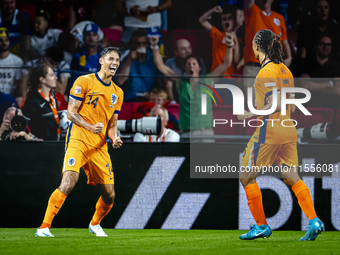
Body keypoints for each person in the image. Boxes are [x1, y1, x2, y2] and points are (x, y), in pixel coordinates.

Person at [236, 29, 324, 241]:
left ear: (258, 46)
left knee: (246, 177)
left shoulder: (265, 73)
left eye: (252, 44)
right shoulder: (285, 70)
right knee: (291, 177)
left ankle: (261, 226)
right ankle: (314, 221)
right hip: (288, 130)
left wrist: (250, 113)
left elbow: (274, 101)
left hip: (270, 131)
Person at [35, 46, 124, 237]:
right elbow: (71, 113)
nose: (114, 63)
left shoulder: (118, 93)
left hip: (99, 146)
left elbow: (112, 124)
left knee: (110, 195)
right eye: (111, 59)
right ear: (101, 61)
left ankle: (95, 224)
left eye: (117, 60)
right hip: (79, 139)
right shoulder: (84, 81)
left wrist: (115, 137)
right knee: (68, 182)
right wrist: (90, 127)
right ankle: (44, 227)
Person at [151, 34, 234, 141]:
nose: (191, 65)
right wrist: (155, 46)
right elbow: (160, 65)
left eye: (194, 63)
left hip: (205, 132)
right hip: (186, 133)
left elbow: (226, 64)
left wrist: (229, 44)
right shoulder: (180, 81)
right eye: (188, 64)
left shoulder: (208, 80)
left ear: (199, 67)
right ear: (185, 67)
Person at [243, 0, 292, 91]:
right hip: (253, 69)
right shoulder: (252, 10)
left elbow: (286, 48)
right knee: (253, 103)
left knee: (272, 104)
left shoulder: (280, 18)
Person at [115, 28, 160, 102]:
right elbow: (120, 81)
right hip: (130, 99)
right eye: (137, 43)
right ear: (132, 43)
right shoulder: (125, 57)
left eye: (144, 43)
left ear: (148, 44)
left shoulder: (153, 59)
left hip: (150, 100)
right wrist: (129, 61)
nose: (141, 46)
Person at [297, 35, 340, 110]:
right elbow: (305, 86)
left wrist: (313, 86)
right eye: (322, 44)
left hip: (330, 107)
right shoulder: (305, 63)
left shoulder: (337, 66)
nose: (325, 47)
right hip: (308, 106)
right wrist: (330, 84)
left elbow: (337, 90)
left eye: (328, 45)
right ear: (316, 46)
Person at [199, 5, 241, 77]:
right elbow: (201, 20)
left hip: (229, 77)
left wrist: (235, 41)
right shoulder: (216, 34)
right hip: (215, 75)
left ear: (233, 21)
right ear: (221, 23)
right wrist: (212, 10)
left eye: (229, 18)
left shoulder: (238, 39)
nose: (227, 21)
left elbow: (236, 61)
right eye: (224, 19)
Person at [22, 64, 60, 141]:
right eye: (52, 75)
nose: (56, 78)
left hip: (55, 142)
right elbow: (23, 122)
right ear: (42, 79)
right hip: (39, 146)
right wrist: (30, 136)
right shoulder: (33, 100)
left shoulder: (53, 98)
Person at [0, 27, 24, 101]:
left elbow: (18, 84)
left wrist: (9, 98)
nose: (4, 43)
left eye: (6, 40)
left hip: (10, 98)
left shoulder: (17, 61)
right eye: (0, 40)